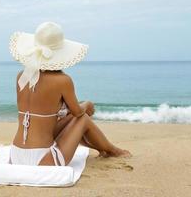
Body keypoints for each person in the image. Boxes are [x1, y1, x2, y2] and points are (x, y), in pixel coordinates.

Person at [8, 22, 131, 166]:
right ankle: (111, 150)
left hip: (16, 154)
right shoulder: (62, 80)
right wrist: (87, 104)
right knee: (83, 118)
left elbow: (46, 113)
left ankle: (105, 149)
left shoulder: (21, 77)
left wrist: (71, 111)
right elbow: (79, 113)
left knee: (71, 116)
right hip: (43, 158)